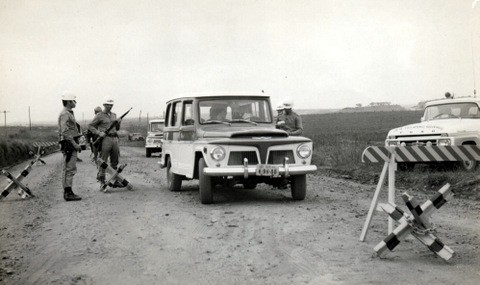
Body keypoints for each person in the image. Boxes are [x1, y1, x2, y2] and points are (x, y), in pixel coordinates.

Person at [88, 98, 123, 189]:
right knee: (103, 161)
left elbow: (117, 128)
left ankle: (114, 180)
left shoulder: (114, 115)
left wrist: (119, 123)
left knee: (115, 161)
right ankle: (102, 182)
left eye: (111, 105)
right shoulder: (99, 115)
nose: (110, 106)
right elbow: (90, 126)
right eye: (108, 104)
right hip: (105, 139)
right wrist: (99, 133)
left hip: (114, 138)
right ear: (104, 105)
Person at [58, 92, 82, 201]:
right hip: (69, 145)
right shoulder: (65, 114)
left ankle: (68, 191)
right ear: (68, 102)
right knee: (69, 168)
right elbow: (65, 132)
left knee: (70, 168)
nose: (75, 102)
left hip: (70, 143)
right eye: (73, 101)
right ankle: (68, 193)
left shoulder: (68, 113)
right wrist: (75, 144)